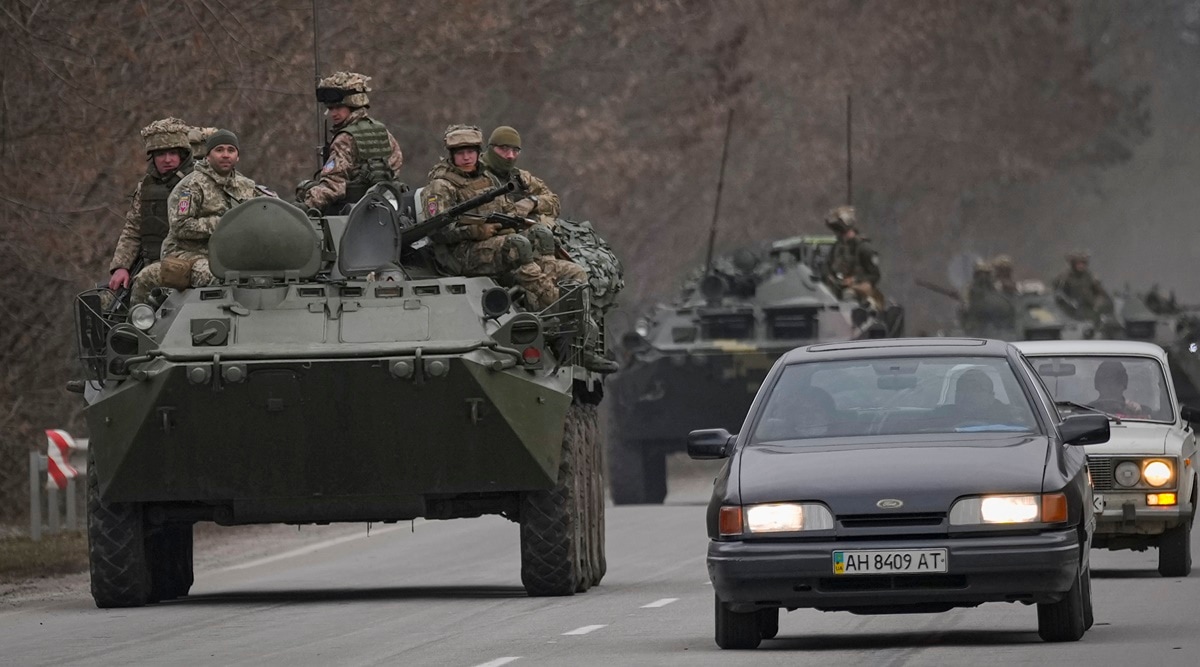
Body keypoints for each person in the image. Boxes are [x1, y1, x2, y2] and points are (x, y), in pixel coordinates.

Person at [131, 130, 265, 303]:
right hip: (190, 254)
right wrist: (224, 224)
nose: (225, 155)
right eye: (219, 150)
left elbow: (269, 209)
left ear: (237, 157)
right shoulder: (191, 187)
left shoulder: (246, 186)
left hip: (232, 255)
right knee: (219, 278)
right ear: (208, 156)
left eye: (231, 150)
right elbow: (181, 226)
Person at [107, 118, 196, 293]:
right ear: (153, 158)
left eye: (172, 153)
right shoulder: (146, 187)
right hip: (150, 264)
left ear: (182, 155)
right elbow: (133, 229)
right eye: (160, 154)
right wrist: (121, 266)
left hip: (188, 265)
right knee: (106, 304)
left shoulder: (198, 184)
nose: (167, 160)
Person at [298, 71, 404, 213]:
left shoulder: (344, 139)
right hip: (387, 208)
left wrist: (306, 205)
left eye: (339, 107)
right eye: (330, 108)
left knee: (304, 189)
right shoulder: (382, 131)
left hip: (353, 214)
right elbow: (395, 166)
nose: (333, 113)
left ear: (352, 105)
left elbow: (334, 185)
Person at [824, 205, 884, 310]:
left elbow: (875, 275)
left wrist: (854, 279)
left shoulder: (863, 248)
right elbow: (828, 267)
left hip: (859, 289)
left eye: (840, 229)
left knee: (848, 295)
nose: (839, 234)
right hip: (838, 288)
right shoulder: (837, 248)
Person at [1053, 251, 1112, 321]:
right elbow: (1057, 291)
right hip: (1073, 308)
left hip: (1089, 306)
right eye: (1078, 264)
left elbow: (1100, 291)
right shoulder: (1065, 277)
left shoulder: (1089, 276)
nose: (1081, 266)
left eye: (1083, 263)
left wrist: (1100, 301)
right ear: (1073, 264)